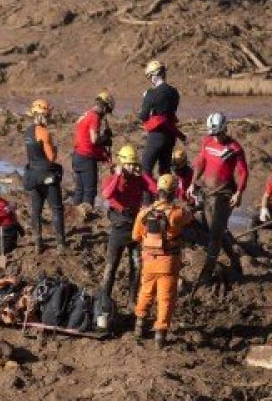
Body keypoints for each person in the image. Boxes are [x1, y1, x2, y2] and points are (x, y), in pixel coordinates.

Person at [132, 174, 193, 348]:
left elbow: (135, 236)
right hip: (168, 262)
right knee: (166, 298)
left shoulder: (144, 212)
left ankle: (139, 326)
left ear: (157, 191)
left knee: (145, 292)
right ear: (174, 192)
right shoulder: (177, 213)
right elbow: (190, 217)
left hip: (149, 261)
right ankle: (160, 335)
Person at [187, 112, 248, 286]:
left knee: (214, 234)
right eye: (213, 134)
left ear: (225, 129)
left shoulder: (234, 148)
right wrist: (193, 183)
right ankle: (236, 261)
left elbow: (243, 172)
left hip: (225, 195)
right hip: (207, 193)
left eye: (219, 134)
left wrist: (239, 193)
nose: (216, 137)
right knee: (215, 230)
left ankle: (206, 275)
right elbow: (200, 162)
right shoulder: (206, 142)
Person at [100, 145, 158, 305]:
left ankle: (132, 301)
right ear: (122, 163)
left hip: (135, 226)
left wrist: (144, 176)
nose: (132, 167)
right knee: (111, 266)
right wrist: (118, 176)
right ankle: (104, 299)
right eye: (129, 164)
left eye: (134, 163)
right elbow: (106, 194)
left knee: (137, 265)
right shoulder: (111, 178)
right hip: (119, 227)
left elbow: (156, 189)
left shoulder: (138, 178)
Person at [23, 99, 65, 252]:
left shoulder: (27, 132)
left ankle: (38, 243)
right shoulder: (44, 133)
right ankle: (60, 244)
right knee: (56, 209)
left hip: (33, 174)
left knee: (36, 210)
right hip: (47, 175)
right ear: (44, 115)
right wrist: (54, 148)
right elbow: (51, 157)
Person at [138, 60, 184, 177]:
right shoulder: (174, 92)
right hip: (170, 136)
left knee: (145, 169)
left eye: (150, 77)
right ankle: (166, 194)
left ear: (154, 75)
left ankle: (148, 195)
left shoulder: (151, 93)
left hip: (156, 136)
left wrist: (145, 98)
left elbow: (143, 116)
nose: (150, 80)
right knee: (164, 170)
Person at [70, 91, 115, 208]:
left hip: (77, 156)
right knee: (89, 191)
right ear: (104, 106)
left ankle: (77, 215)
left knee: (79, 190)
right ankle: (86, 218)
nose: (106, 114)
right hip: (86, 158)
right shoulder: (95, 117)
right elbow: (94, 139)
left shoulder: (86, 114)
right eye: (107, 110)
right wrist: (105, 138)